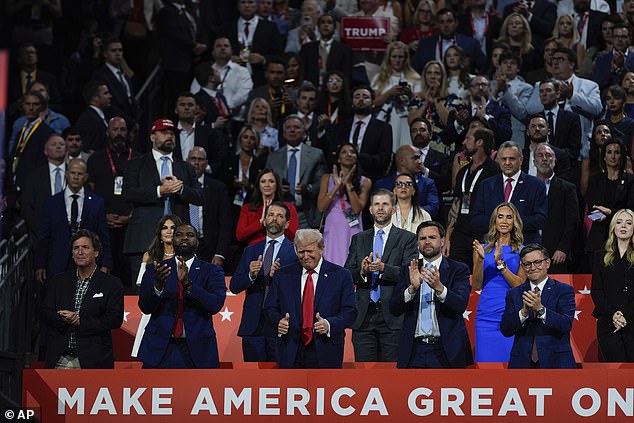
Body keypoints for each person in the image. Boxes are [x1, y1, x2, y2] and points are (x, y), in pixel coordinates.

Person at [122, 118, 203, 282]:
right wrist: (160, 190)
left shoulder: (185, 168)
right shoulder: (136, 164)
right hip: (144, 239)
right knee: (141, 291)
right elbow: (128, 194)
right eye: (164, 132)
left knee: (178, 292)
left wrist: (180, 188)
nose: (170, 136)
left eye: (172, 133)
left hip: (180, 242)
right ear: (152, 137)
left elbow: (200, 197)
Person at [264, 229, 357, 368]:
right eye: (301, 252)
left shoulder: (341, 275)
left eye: (310, 251)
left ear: (321, 249)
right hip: (290, 348)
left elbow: (351, 311)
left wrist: (328, 324)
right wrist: (279, 321)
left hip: (327, 348)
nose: (306, 256)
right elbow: (269, 308)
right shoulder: (282, 275)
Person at [137, 223, 227, 368]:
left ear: (197, 242)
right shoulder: (157, 269)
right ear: (172, 241)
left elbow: (215, 304)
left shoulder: (212, 271)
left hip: (197, 351)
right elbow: (145, 307)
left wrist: (188, 284)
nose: (184, 238)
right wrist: (158, 285)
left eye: (190, 235)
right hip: (159, 349)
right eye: (179, 235)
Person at [345, 189, 418, 362]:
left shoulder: (407, 238)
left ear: (394, 209)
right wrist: (362, 272)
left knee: (392, 375)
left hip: (393, 317)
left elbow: (409, 274)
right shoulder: (359, 238)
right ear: (370, 209)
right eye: (376, 204)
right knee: (364, 375)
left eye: (385, 204)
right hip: (363, 317)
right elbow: (347, 273)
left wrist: (384, 268)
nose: (380, 208)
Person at [389, 221, 473, 368]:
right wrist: (411, 289)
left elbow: (460, 305)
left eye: (432, 237)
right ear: (417, 243)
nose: (427, 242)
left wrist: (439, 287)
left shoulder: (458, 269)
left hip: (446, 350)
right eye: (422, 238)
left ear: (442, 241)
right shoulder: (407, 270)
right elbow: (394, 308)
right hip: (413, 350)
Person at [41, 230, 123, 369]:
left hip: (93, 360)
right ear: (72, 254)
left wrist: (80, 321)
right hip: (60, 359)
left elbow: (114, 319)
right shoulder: (59, 281)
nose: (80, 252)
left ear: (96, 252)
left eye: (85, 247)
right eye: (76, 248)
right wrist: (62, 318)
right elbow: (45, 312)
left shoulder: (111, 283)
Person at [230, 201, 298, 362]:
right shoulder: (250, 250)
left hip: (281, 324)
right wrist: (251, 275)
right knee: (253, 381)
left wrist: (280, 277)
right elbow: (234, 286)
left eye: (280, 216)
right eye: (271, 215)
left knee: (281, 381)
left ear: (287, 223)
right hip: (253, 326)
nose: (274, 219)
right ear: (265, 219)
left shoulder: (295, 251)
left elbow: (301, 286)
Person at [35, 158, 112, 283]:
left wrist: (106, 264)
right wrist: (40, 265)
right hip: (58, 263)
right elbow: (44, 236)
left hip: (88, 263)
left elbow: (103, 236)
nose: (76, 177)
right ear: (66, 174)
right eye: (73, 173)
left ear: (86, 177)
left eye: (80, 174)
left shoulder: (97, 203)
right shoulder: (52, 203)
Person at [500, 243, 576, 369]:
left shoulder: (564, 290)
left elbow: (566, 325)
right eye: (527, 264)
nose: (533, 267)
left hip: (556, 362)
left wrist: (540, 310)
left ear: (547, 263)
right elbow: (506, 329)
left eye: (537, 262)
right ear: (523, 267)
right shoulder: (514, 293)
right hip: (522, 362)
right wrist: (523, 313)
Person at [87, 117, 141, 286]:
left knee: (129, 271)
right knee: (105, 270)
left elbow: (143, 193)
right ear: (107, 132)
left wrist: (130, 217)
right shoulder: (95, 159)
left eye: (123, 130)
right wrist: (103, 216)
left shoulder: (139, 159)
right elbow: (90, 192)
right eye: (115, 129)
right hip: (103, 225)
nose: (119, 134)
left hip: (131, 226)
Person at [472, 202, 526, 362]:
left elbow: (520, 285)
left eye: (509, 217)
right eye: (500, 216)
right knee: (485, 366)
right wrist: (481, 260)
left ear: (514, 222)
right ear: (494, 221)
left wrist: (501, 265)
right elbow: (476, 284)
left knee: (510, 367)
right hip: (486, 315)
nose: (504, 221)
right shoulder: (481, 249)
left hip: (510, 313)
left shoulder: (522, 251)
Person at [443, 127, 501, 270]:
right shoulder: (463, 171)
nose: (464, 142)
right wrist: (448, 237)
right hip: (460, 235)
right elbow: (456, 204)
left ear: (479, 142)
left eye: (468, 138)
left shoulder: (494, 171)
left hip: (483, 235)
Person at [471, 140, 548, 245]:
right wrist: (500, 224)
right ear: (498, 160)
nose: (507, 163)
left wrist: (512, 224)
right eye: (503, 159)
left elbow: (540, 218)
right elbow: (477, 218)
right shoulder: (486, 185)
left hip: (526, 247)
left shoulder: (536, 185)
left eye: (512, 159)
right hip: (492, 245)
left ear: (521, 160)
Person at [131, 215, 183, 358]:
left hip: (177, 312)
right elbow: (143, 289)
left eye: (173, 227)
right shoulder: (150, 256)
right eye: (165, 227)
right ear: (159, 233)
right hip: (154, 312)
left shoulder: (186, 256)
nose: (169, 231)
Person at [265, 115, 327, 229]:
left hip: (306, 214)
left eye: (296, 127)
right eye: (288, 128)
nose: (292, 130)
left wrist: (307, 188)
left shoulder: (316, 154)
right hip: (279, 214)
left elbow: (322, 183)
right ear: (283, 133)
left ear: (304, 132)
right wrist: (277, 189)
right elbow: (265, 184)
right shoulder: (273, 157)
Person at [322, 85, 393, 180]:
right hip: (341, 180)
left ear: (373, 103)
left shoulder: (384, 128)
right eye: (357, 96)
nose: (361, 99)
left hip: (371, 179)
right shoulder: (340, 127)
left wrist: (356, 156)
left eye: (365, 97)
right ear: (352, 103)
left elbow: (384, 160)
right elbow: (332, 155)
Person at [318, 143, 371, 266]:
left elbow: (357, 209)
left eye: (352, 152)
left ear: (356, 157)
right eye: (344, 152)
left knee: (352, 263)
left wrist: (348, 184)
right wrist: (336, 187)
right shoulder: (327, 178)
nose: (348, 154)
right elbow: (321, 207)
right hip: (332, 229)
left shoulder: (365, 181)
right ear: (338, 158)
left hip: (353, 228)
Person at [592, 208, 634, 362]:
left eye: (629, 223)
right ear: (613, 227)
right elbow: (596, 291)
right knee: (614, 373)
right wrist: (613, 315)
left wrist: (625, 316)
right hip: (608, 321)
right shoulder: (600, 255)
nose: (623, 226)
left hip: (632, 321)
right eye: (619, 222)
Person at [585, 139, 634, 259]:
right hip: (598, 239)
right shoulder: (595, 180)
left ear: (622, 157)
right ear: (604, 157)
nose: (613, 156)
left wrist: (609, 212)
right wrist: (602, 215)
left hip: (622, 239)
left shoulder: (630, 181)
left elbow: (630, 210)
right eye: (609, 152)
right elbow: (592, 209)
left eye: (617, 152)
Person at [535, 143, 579, 274]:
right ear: (534, 161)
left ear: (555, 161)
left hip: (556, 255)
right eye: (540, 155)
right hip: (530, 251)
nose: (544, 158)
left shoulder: (567, 188)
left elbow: (573, 220)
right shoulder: (527, 187)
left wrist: (563, 248)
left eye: (548, 155)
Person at [371, 41, 420, 153]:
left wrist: (410, 94)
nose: (397, 60)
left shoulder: (414, 77)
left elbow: (420, 103)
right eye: (394, 56)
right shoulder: (380, 78)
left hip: (405, 121)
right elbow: (373, 103)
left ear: (406, 58)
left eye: (400, 57)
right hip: (385, 120)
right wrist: (389, 93)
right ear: (389, 58)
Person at [186, 147, 232, 265]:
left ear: (206, 163)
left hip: (209, 250)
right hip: (184, 246)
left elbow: (225, 223)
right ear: (187, 161)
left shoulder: (218, 188)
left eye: (200, 159)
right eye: (193, 159)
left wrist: (220, 253)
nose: (196, 162)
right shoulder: (179, 187)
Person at [412, 8, 487, 74]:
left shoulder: (470, 43)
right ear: (437, 24)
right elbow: (415, 70)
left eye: (449, 21)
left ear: (456, 23)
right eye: (442, 22)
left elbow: (484, 66)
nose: (446, 25)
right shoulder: (425, 44)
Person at [236, 168, 299, 245]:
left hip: (280, 250)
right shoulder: (247, 208)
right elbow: (240, 236)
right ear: (258, 185)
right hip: (254, 251)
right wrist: (260, 223)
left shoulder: (288, 208)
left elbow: (293, 236)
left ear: (276, 185)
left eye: (271, 181)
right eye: (263, 181)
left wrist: (276, 222)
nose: (267, 185)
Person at [21, 133, 67, 238]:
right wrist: (41, 229)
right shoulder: (34, 176)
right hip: (41, 235)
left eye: (61, 144)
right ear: (45, 151)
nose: (58, 146)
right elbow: (27, 206)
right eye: (53, 144)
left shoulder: (74, 173)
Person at [299, 13, 353, 89]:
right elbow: (302, 71)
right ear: (318, 27)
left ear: (334, 28)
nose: (326, 25)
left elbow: (346, 75)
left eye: (329, 22)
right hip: (311, 89)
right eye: (323, 22)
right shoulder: (307, 48)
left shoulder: (344, 50)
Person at [75, 80, 112, 153]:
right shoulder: (89, 119)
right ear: (95, 97)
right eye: (105, 93)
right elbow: (91, 149)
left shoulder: (101, 116)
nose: (110, 96)